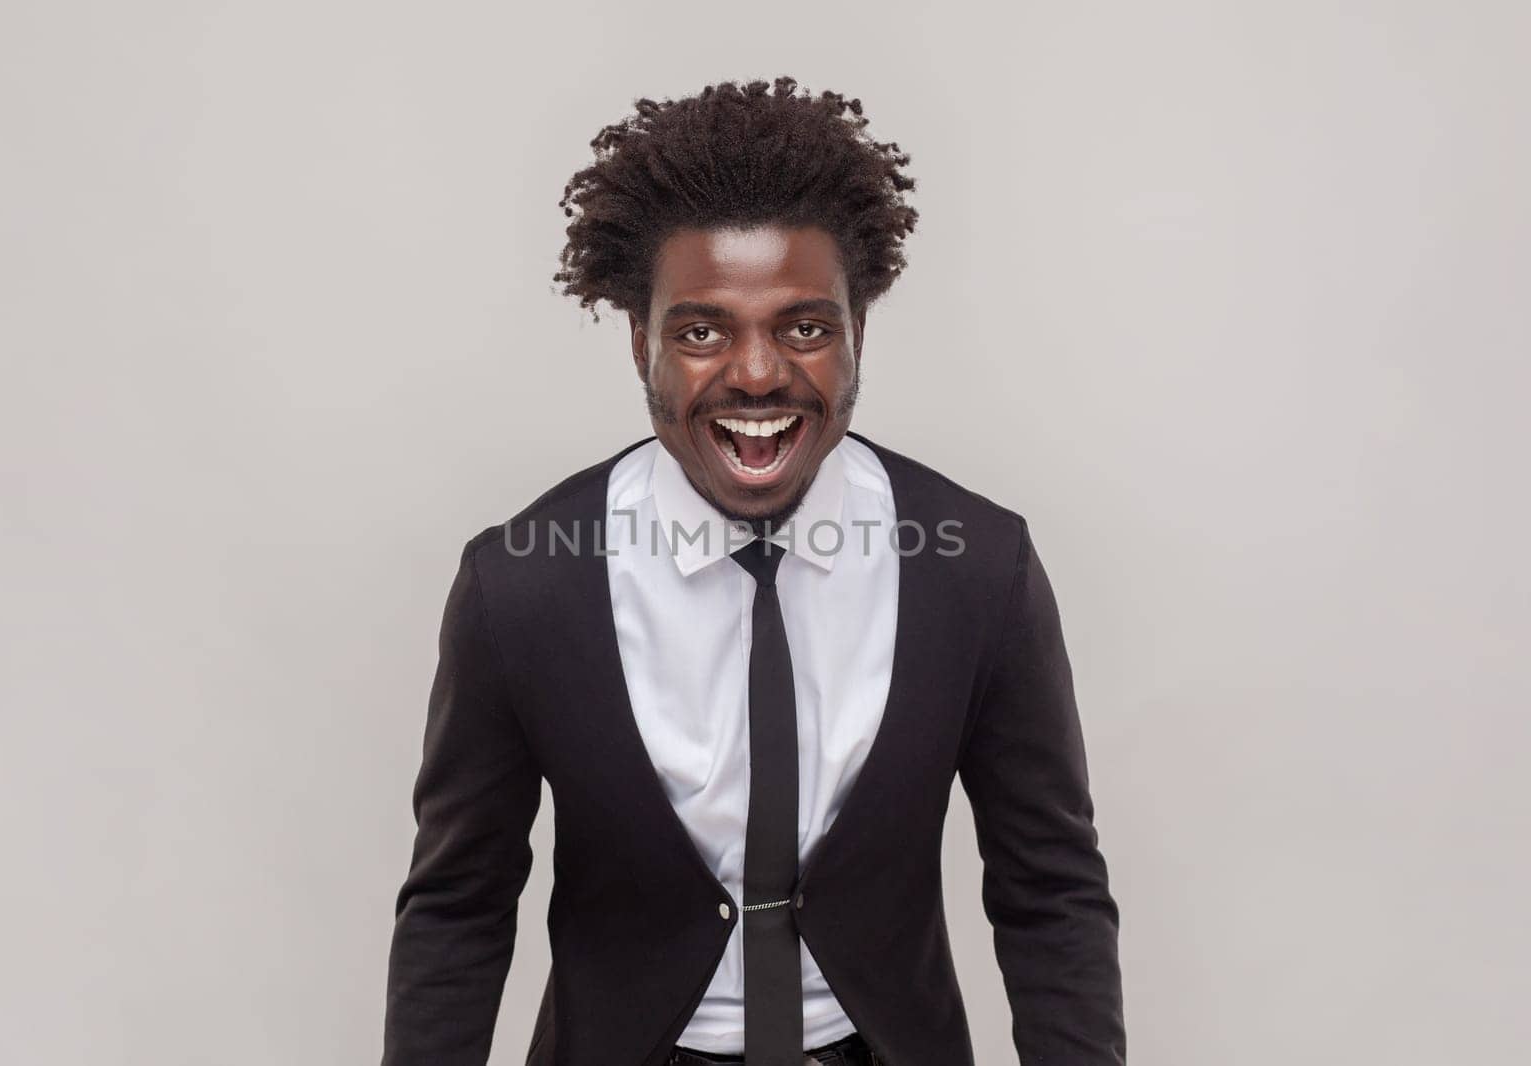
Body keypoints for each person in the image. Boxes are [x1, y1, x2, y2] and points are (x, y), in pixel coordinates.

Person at [380, 76, 1125, 1066]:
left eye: (804, 327)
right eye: (701, 331)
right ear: (640, 342)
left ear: (858, 333)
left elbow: (1051, 893)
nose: (760, 371)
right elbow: (458, 911)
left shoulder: (976, 569)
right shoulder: (522, 586)